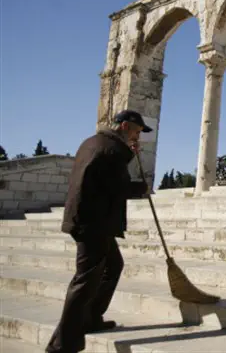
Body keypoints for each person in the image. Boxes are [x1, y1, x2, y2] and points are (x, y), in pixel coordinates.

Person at [46, 110, 152, 353]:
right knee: (85, 281)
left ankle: (91, 318)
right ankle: (61, 345)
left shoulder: (94, 143)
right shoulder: (111, 151)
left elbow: (102, 178)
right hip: (93, 223)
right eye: (136, 131)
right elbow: (117, 186)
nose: (138, 137)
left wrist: (128, 154)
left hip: (89, 220)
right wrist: (142, 188)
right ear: (125, 126)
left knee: (113, 266)